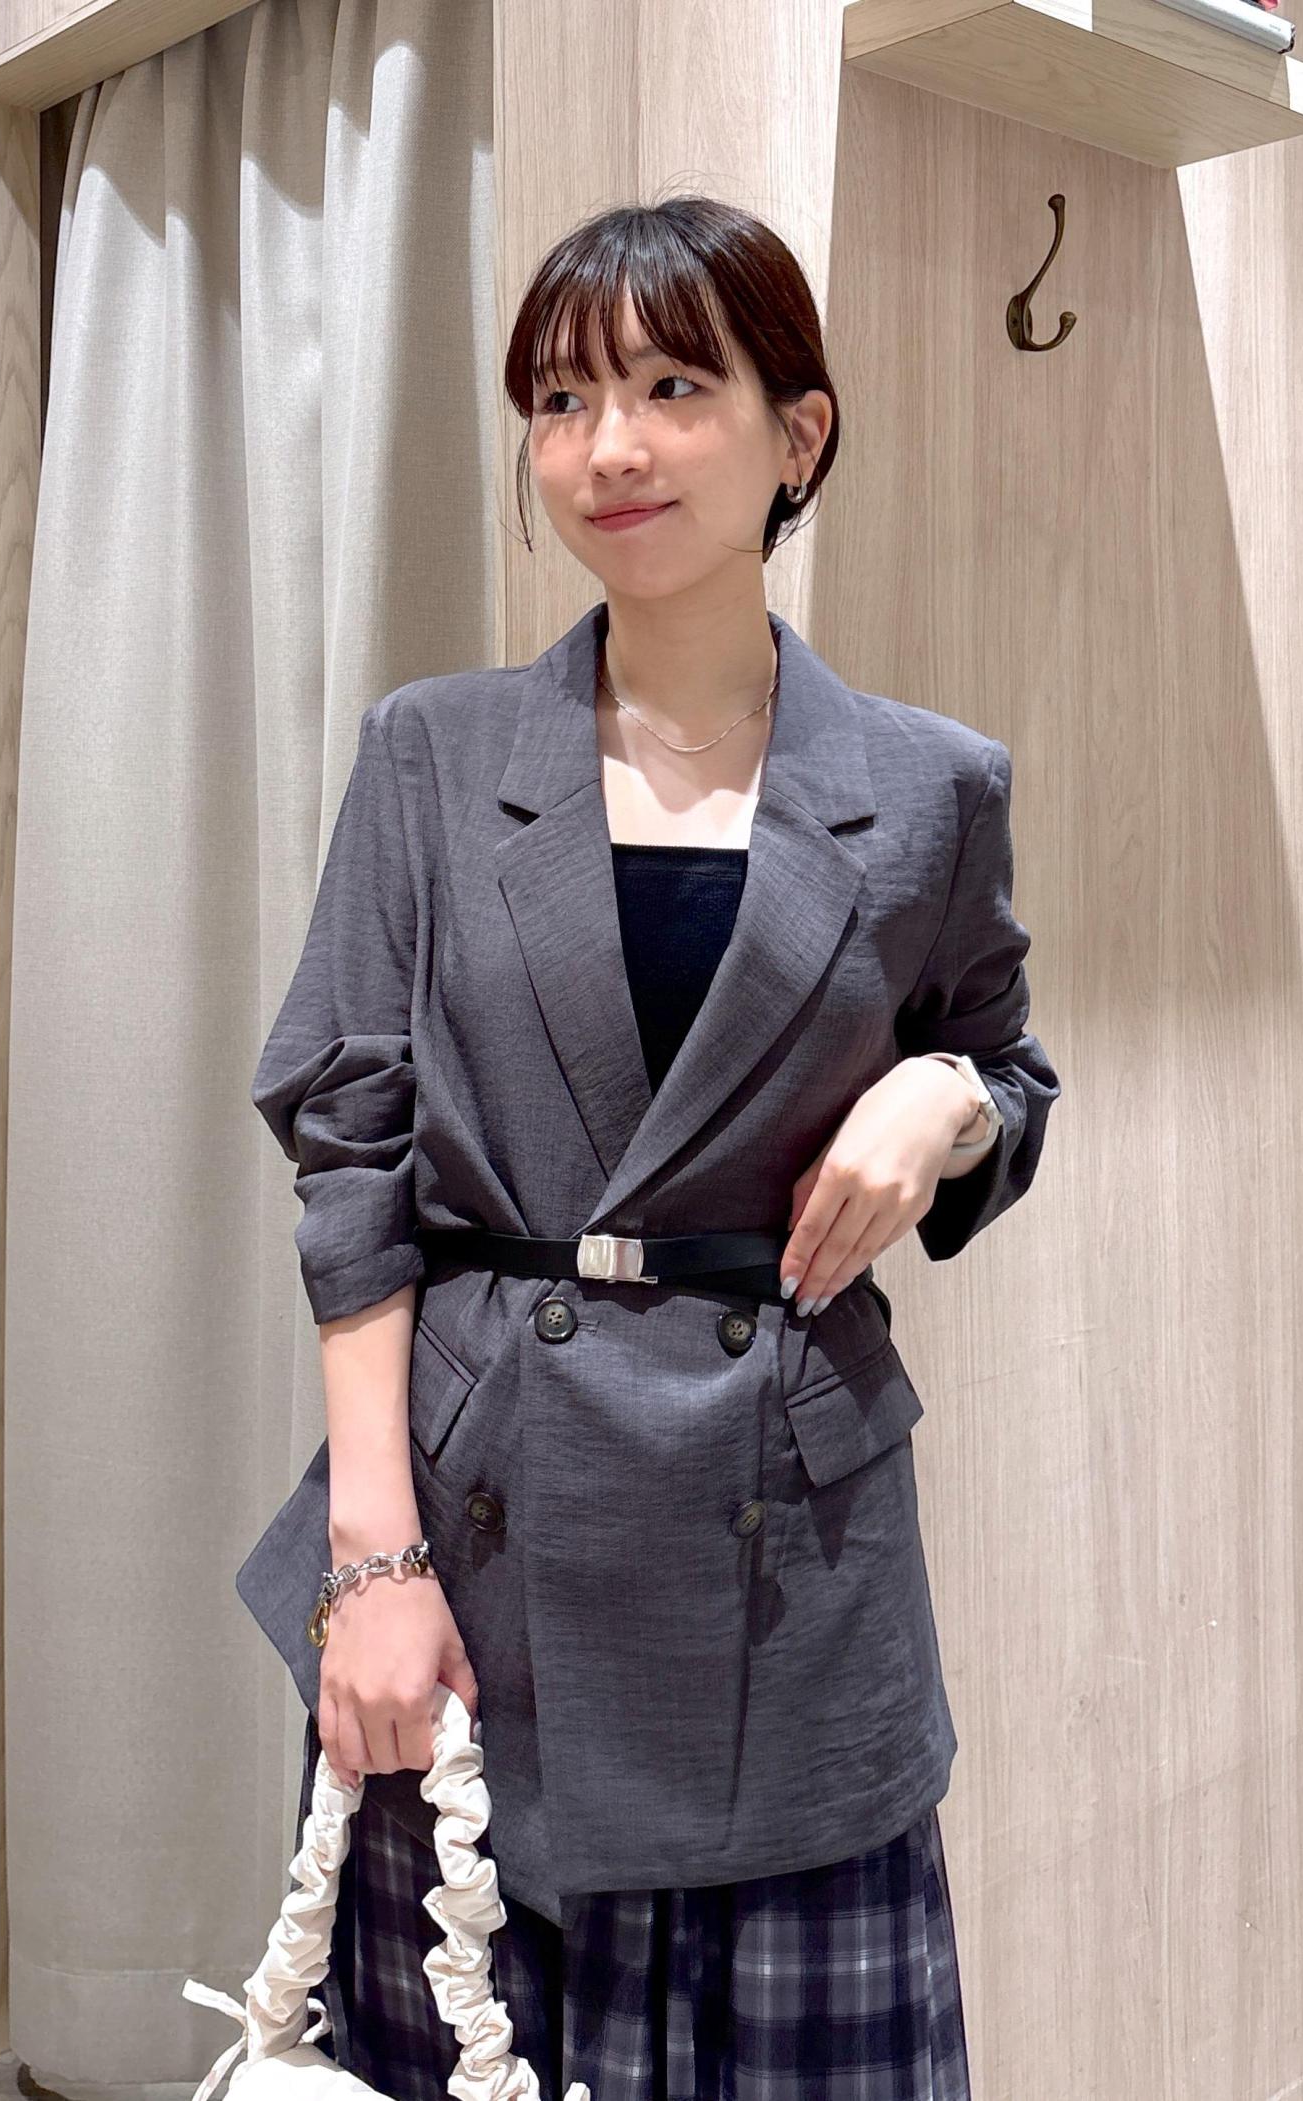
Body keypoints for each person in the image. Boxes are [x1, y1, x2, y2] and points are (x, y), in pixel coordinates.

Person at [243, 194, 1061, 2100]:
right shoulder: (435, 754)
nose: (608, 445)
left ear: (799, 432)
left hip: (790, 1558)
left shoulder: (930, 786)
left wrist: (945, 1101)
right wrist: (373, 1557)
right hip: (476, 1541)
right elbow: (351, 1150)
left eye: (674, 387)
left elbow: (1009, 1067)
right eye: (560, 400)